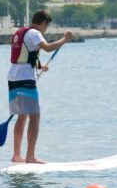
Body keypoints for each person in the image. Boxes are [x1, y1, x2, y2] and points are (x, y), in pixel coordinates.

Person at [8, 9, 73, 164]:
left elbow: (23, 56)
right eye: (46, 27)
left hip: (13, 77)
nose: (45, 30)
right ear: (43, 23)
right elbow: (48, 48)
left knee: (22, 116)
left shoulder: (20, 33)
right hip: (25, 78)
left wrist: (38, 65)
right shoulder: (35, 33)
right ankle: (30, 156)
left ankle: (16, 155)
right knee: (34, 116)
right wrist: (64, 39)